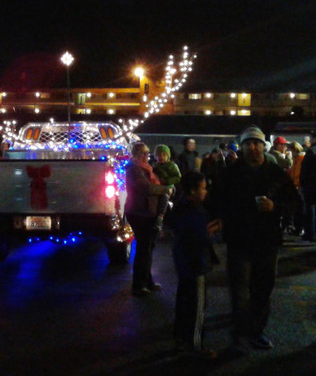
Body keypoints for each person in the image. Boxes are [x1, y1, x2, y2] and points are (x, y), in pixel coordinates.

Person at [210, 126, 299, 353]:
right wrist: (220, 218)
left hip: (267, 239)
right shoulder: (230, 173)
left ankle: (257, 331)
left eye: (257, 143)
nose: (253, 147)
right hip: (239, 238)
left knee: (263, 288)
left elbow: (294, 202)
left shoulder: (276, 172)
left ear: (263, 146)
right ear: (242, 147)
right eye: (248, 143)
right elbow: (217, 201)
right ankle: (239, 335)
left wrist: (275, 207)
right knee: (239, 290)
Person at [165, 171, 221, 359]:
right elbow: (198, 236)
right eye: (203, 189)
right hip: (196, 261)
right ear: (192, 190)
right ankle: (195, 345)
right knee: (197, 306)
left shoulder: (181, 207)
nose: (205, 192)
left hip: (184, 261)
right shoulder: (194, 209)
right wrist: (213, 231)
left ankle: (181, 339)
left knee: (184, 302)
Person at [125, 141, 174, 297]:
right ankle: (139, 285)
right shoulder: (134, 170)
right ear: (136, 155)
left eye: (147, 153)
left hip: (147, 211)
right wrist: (166, 189)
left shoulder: (145, 169)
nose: (147, 156)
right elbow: (146, 188)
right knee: (144, 249)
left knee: (148, 248)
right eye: (143, 153)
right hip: (140, 212)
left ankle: (147, 281)